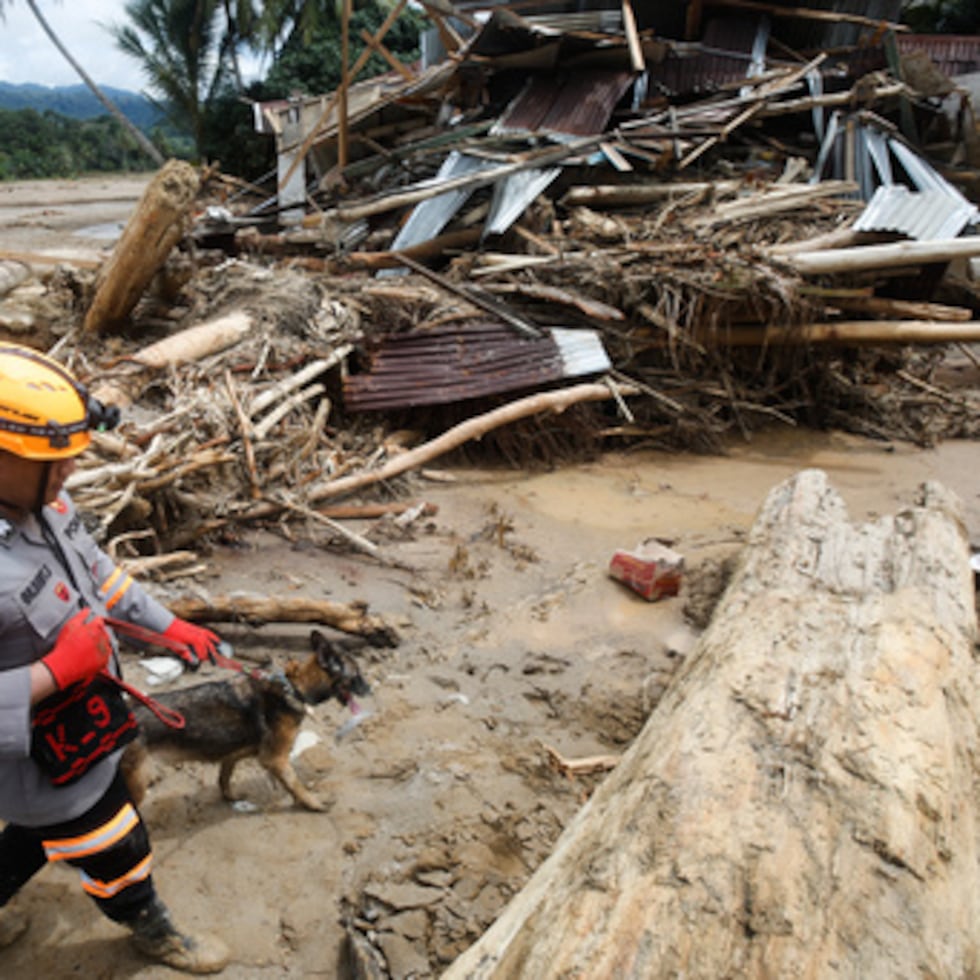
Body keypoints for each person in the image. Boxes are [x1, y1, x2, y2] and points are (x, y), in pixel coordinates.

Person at [0, 343, 230, 974]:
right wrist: (55, 671)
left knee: (34, 836)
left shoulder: (46, 505)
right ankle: (152, 926)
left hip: (87, 725)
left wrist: (169, 626)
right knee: (115, 843)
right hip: (28, 756)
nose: (71, 469)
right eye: (54, 459)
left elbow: (102, 576)